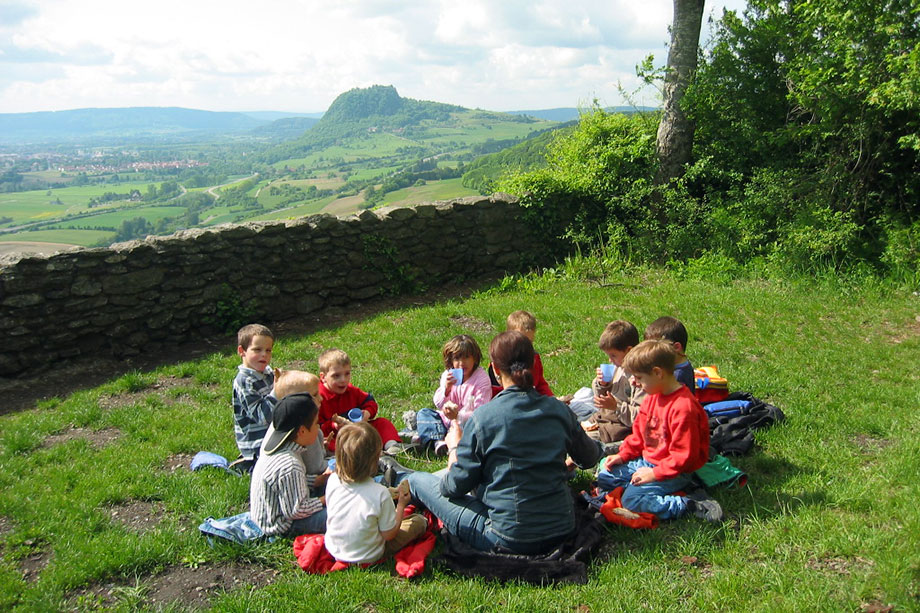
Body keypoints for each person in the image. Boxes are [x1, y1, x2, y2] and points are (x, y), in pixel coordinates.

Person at [408, 331, 603, 554]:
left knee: (417, 480)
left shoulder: (483, 418)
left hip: (505, 537)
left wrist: (454, 447)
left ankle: (396, 483)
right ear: (533, 364)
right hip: (562, 528)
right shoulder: (559, 410)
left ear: (495, 370)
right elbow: (589, 457)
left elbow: (454, 486)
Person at [595, 340, 721, 521]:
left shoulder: (684, 408)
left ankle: (688, 504)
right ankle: (639, 487)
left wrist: (654, 474)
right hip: (647, 462)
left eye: (639, 377)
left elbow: (684, 457)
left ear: (657, 373)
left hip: (674, 471)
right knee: (605, 471)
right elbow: (639, 434)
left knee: (632, 501)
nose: (635, 382)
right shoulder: (652, 397)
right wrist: (623, 455)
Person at [324, 422, 427, 564]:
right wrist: (401, 506)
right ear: (374, 462)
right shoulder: (380, 493)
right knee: (418, 522)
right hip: (369, 555)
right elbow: (389, 534)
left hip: (335, 549)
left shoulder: (333, 480)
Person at [249, 392, 327, 536]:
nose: (318, 427)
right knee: (339, 512)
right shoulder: (290, 465)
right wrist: (327, 498)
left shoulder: (283, 448)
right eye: (316, 423)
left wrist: (317, 481)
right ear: (302, 431)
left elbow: (287, 484)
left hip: (282, 509)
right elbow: (297, 511)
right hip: (283, 525)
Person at [415, 335, 492, 455]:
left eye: (466, 358)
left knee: (477, 431)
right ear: (451, 360)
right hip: (446, 420)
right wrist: (446, 389)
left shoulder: (482, 380)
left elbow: (480, 412)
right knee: (424, 413)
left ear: (475, 358)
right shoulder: (448, 375)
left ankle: (428, 436)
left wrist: (458, 416)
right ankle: (439, 442)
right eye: (457, 359)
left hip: (468, 424)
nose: (462, 363)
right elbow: (439, 403)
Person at [318, 348, 400, 453]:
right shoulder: (318, 397)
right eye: (336, 376)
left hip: (358, 430)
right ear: (323, 377)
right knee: (327, 443)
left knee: (382, 423)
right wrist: (333, 426)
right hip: (335, 436)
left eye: (347, 374)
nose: (343, 380)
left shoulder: (351, 391)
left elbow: (370, 402)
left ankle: (391, 445)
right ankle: (361, 453)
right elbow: (316, 426)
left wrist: (367, 413)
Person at [581, 320, 645, 445]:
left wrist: (616, 407)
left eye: (613, 355)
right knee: (571, 429)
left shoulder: (640, 378)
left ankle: (569, 462)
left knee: (585, 442)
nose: (610, 360)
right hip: (604, 417)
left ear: (628, 351)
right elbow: (600, 401)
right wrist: (603, 385)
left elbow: (639, 418)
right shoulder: (617, 368)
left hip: (620, 427)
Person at [272, 369, 332, 489]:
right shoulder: (304, 429)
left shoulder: (281, 422)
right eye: (314, 395)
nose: (321, 398)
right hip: (307, 488)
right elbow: (316, 468)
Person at [231, 323, 276, 472]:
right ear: (241, 351)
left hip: (273, 435)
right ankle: (248, 463)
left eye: (268, 350)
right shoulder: (244, 381)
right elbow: (262, 416)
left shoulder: (268, 373)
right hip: (258, 443)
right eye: (257, 349)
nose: (264, 354)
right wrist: (279, 391)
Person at [488, 310, 554, 397]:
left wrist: (552, 399)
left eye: (529, 342)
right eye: (520, 342)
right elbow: (494, 391)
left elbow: (541, 385)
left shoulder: (534, 358)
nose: (525, 347)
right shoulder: (502, 362)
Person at [644, 316, 695, 392]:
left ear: (676, 347)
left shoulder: (676, 377)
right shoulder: (679, 366)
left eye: (657, 349)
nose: (651, 354)